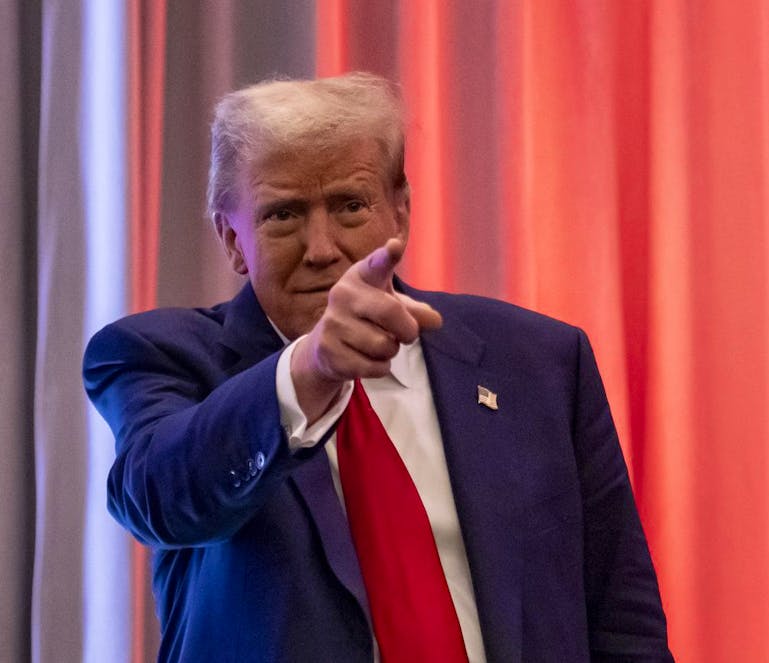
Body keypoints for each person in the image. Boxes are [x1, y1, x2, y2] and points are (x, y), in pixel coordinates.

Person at [83, 72, 674, 663]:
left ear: (401, 212)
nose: (322, 247)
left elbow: (620, 614)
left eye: (350, 206)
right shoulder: (158, 355)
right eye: (282, 215)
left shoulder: (538, 360)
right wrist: (308, 371)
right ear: (233, 239)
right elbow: (157, 497)